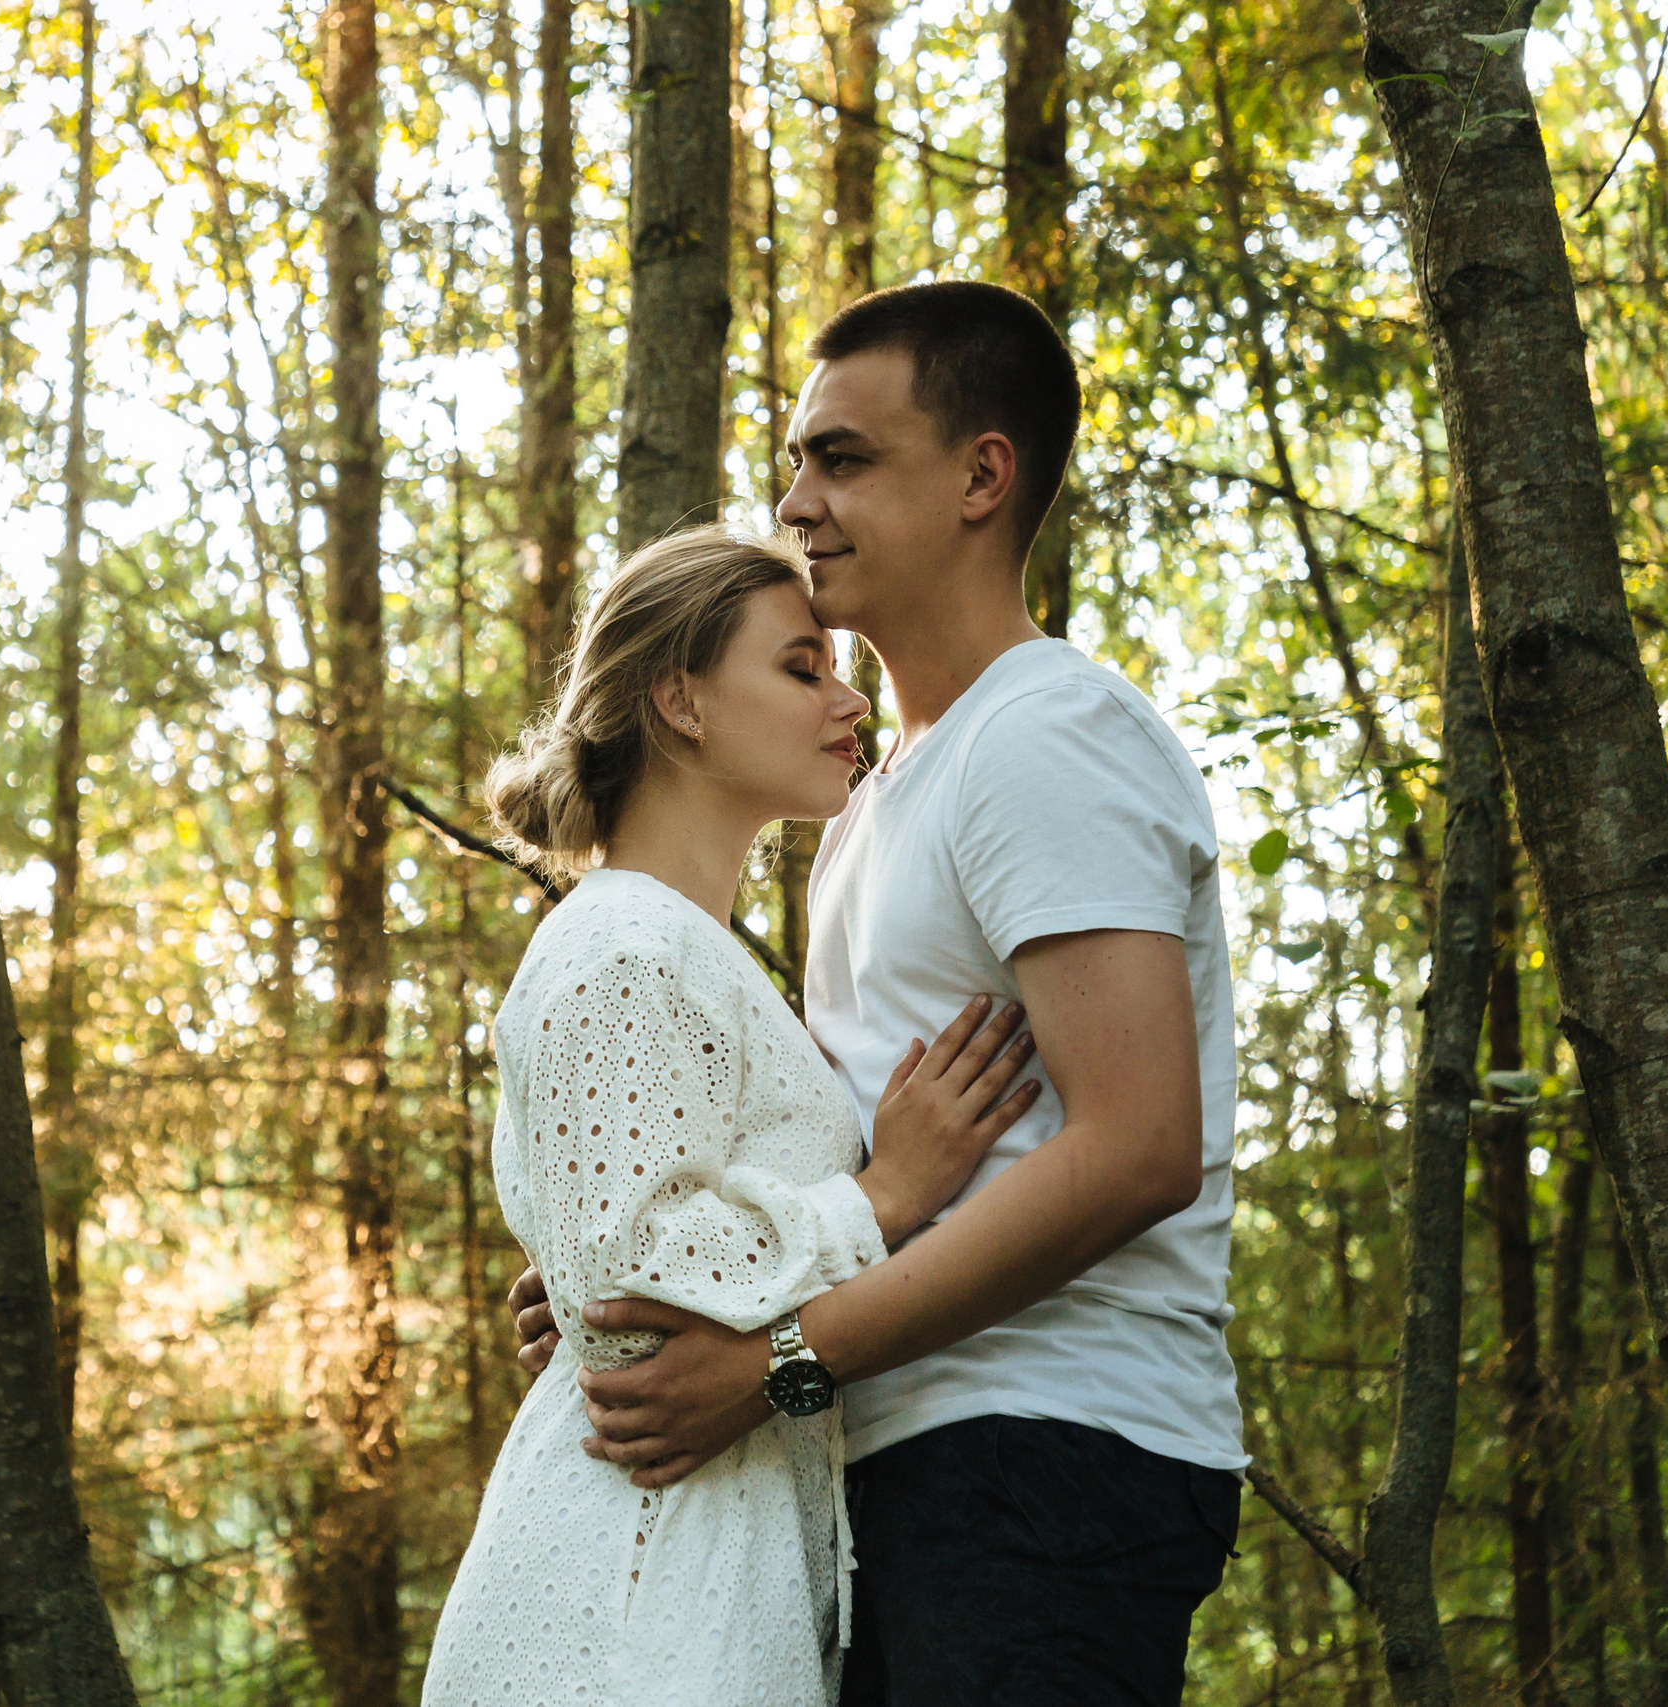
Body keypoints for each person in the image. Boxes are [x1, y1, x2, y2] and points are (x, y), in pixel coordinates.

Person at [507, 281, 1248, 1705]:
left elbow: (1140, 1145)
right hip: (883, 1468)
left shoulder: (1046, 732)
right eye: (796, 461)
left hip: (1046, 1451)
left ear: (981, 475)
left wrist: (775, 1360)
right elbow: (865, 1152)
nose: (797, 502)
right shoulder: (868, 806)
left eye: (842, 458)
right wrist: (650, 1280)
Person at [424, 524, 1039, 1706]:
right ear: (681, 700)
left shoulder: (680, 950)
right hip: (622, 1614)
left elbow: (608, 1263)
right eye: (801, 668)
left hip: (698, 1577)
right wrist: (880, 1197)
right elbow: (629, 1276)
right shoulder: (623, 944)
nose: (849, 702)